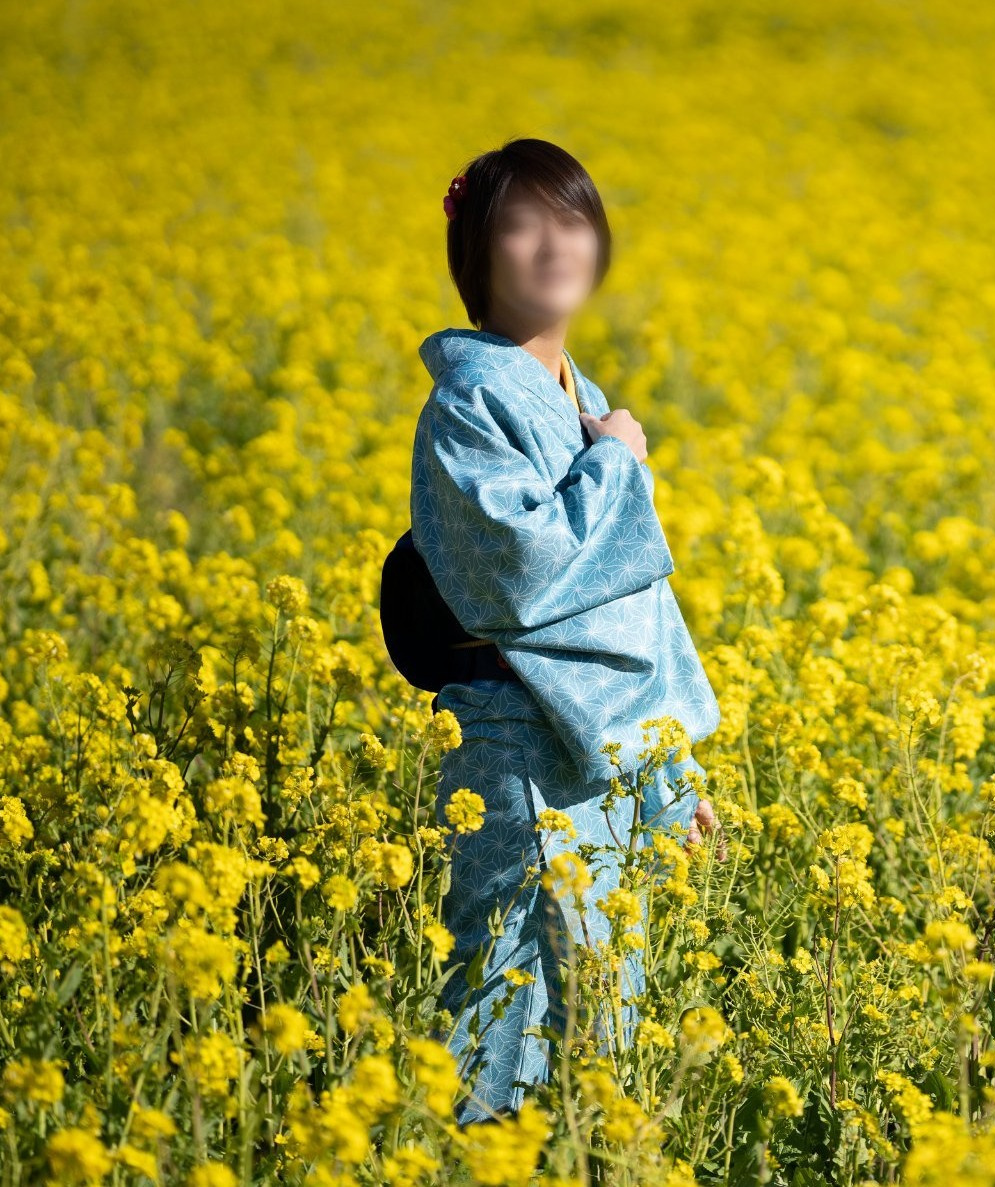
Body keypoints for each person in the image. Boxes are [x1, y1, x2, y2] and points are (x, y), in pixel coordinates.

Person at [409, 137, 721, 1125]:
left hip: (595, 759)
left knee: (600, 1031)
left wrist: (666, 770)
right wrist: (620, 465)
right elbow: (531, 574)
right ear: (479, 254)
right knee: (510, 1014)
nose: (557, 242)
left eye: (574, 217)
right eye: (525, 222)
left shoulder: (575, 400)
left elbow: (623, 613)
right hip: (515, 750)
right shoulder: (469, 403)